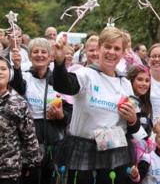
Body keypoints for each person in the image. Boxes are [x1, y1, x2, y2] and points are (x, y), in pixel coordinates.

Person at [52, 27, 137, 184]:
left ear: (123, 53)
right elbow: (64, 85)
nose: (112, 52)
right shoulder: (86, 74)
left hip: (115, 150)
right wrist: (59, 62)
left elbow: (133, 127)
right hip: (83, 151)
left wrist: (132, 119)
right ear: (99, 49)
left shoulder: (125, 83)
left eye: (117, 48)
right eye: (108, 47)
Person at [10, 38, 72, 184]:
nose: (39, 55)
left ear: (50, 56)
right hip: (29, 137)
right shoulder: (25, 76)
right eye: (35, 52)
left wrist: (61, 115)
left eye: (44, 52)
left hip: (54, 139)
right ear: (30, 56)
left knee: (50, 178)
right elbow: (16, 91)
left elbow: (69, 112)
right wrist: (17, 68)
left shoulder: (59, 79)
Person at [0, 56, 42, 184]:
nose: (0, 72)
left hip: (9, 171)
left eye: (3, 69)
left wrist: (33, 164)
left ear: (10, 74)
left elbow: (29, 137)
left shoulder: (19, 103)